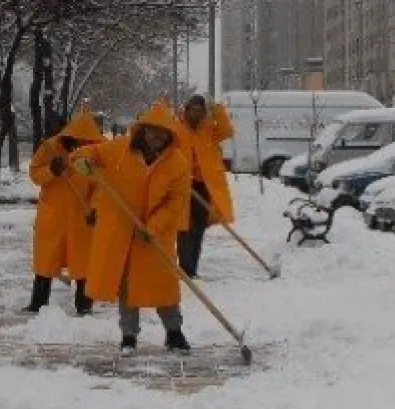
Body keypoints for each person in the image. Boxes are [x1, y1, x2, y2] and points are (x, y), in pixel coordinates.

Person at [71, 100, 192, 356]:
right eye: (152, 130)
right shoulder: (119, 150)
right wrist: (82, 161)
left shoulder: (177, 163)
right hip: (122, 233)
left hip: (155, 235)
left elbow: (176, 202)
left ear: (170, 134)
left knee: (164, 285)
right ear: (142, 129)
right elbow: (89, 154)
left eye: (163, 132)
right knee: (128, 286)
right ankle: (128, 336)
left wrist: (153, 226)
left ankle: (174, 332)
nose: (157, 136)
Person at [24, 110, 106, 315]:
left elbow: (102, 186)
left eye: (87, 142)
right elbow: (35, 175)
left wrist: (95, 208)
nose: (81, 145)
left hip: (82, 216)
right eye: (79, 141)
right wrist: (51, 170)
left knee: (83, 264)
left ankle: (84, 306)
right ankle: (38, 304)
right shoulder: (50, 148)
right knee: (45, 262)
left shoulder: (97, 154)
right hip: (53, 215)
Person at [175, 94, 236, 278]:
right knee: (183, 227)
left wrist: (217, 108)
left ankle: (192, 268)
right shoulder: (176, 128)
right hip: (182, 185)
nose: (195, 114)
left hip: (203, 185)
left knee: (198, 227)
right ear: (186, 110)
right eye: (192, 109)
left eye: (200, 111)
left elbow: (227, 131)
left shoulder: (208, 129)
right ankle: (185, 269)